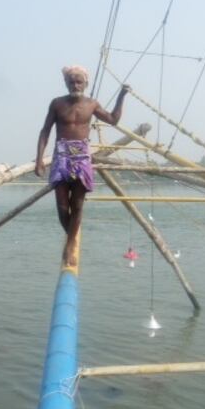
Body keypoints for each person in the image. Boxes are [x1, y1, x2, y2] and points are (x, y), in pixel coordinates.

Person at [35, 65, 129, 266]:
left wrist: (122, 95)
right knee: (62, 207)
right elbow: (45, 131)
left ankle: (70, 245)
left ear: (86, 83)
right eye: (71, 82)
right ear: (66, 83)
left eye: (79, 81)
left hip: (82, 156)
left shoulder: (92, 104)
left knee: (77, 205)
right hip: (61, 155)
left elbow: (113, 120)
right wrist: (39, 160)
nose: (75, 85)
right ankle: (72, 236)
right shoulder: (57, 104)